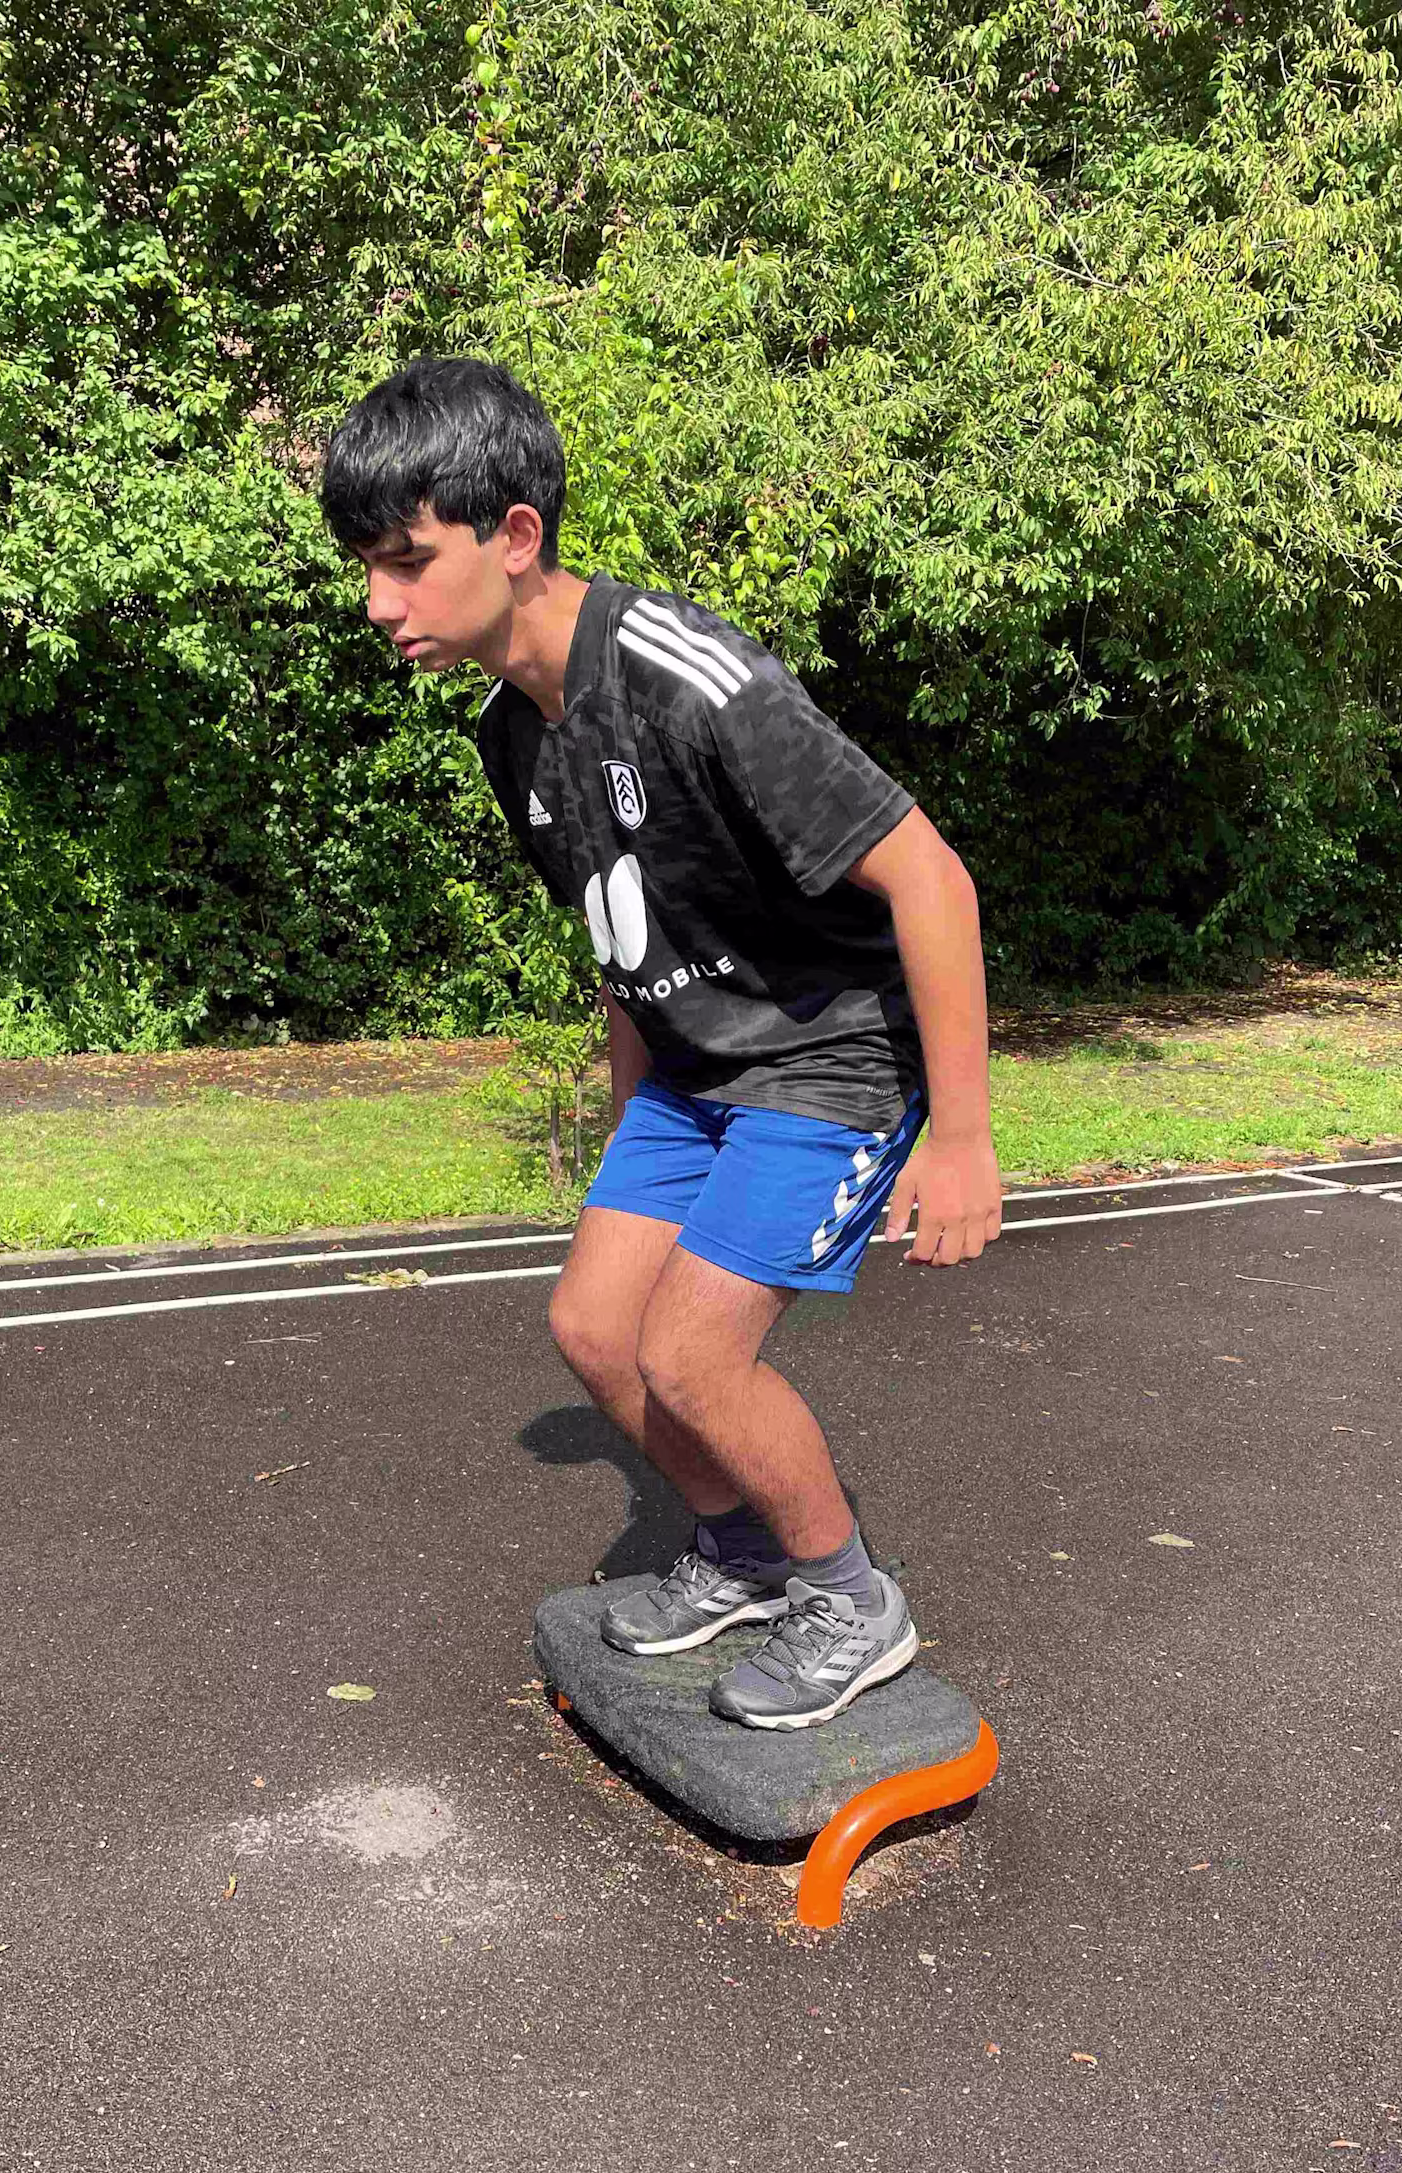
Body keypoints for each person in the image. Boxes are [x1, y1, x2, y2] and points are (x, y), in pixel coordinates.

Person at [321, 357, 1002, 1731]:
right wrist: (638, 1135)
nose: (378, 604)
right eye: (365, 569)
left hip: (832, 1055)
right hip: (698, 1075)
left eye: (405, 561)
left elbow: (932, 879)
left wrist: (969, 1142)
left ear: (515, 538)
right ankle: (745, 1558)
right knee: (593, 1325)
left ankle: (849, 1598)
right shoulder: (513, 739)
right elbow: (626, 953)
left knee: (694, 1357)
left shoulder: (692, 679)